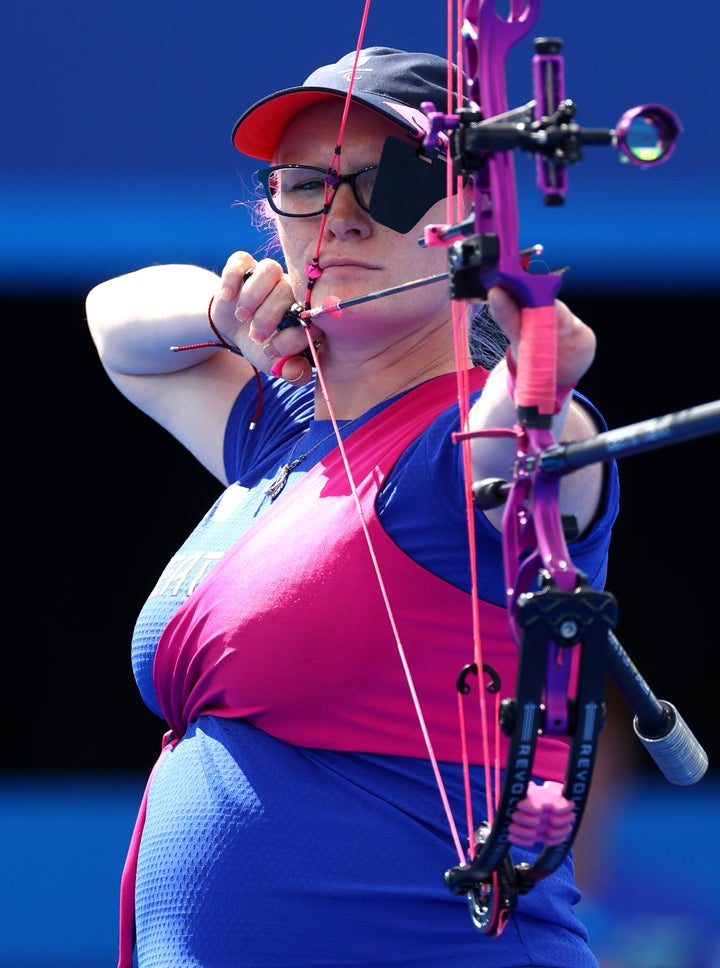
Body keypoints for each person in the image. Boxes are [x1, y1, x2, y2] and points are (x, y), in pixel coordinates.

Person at [86, 46, 618, 968]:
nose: (339, 214)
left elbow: (526, 446)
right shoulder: (281, 426)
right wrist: (229, 315)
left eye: (390, 181)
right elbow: (116, 326)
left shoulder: (455, 449)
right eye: (306, 184)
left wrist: (533, 371)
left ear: (470, 215)